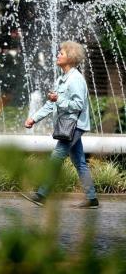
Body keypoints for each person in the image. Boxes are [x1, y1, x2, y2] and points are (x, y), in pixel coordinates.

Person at [23, 41, 99, 209]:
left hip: (75, 125)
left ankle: (41, 195)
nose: (58, 55)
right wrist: (34, 118)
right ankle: (92, 198)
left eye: (61, 53)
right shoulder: (61, 80)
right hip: (67, 125)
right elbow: (52, 105)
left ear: (71, 58)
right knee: (79, 162)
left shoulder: (76, 80)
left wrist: (59, 100)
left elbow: (79, 105)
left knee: (56, 157)